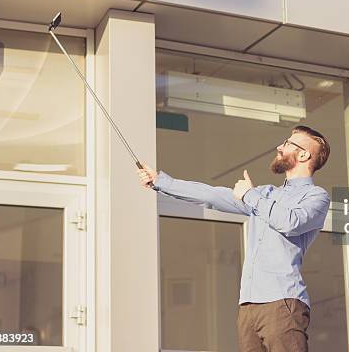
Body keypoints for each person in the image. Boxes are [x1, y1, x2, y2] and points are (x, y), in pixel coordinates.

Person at [138, 125, 331, 352]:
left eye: (288, 143)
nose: (280, 146)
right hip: (248, 307)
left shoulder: (316, 196)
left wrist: (250, 195)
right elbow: (212, 195)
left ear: (303, 155)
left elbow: (291, 222)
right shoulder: (266, 193)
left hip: (283, 303)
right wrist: (161, 181)